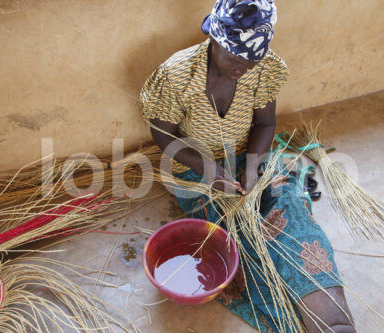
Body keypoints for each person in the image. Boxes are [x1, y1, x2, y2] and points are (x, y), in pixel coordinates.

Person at [140, 1, 355, 332]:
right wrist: (210, 170)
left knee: (290, 207)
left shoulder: (265, 69)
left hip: (250, 156)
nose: (243, 67)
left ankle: (335, 324)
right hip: (195, 168)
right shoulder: (176, 75)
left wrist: (252, 168)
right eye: (234, 58)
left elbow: (266, 125)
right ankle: (292, 318)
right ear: (214, 38)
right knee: (234, 233)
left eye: (251, 59)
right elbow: (163, 135)